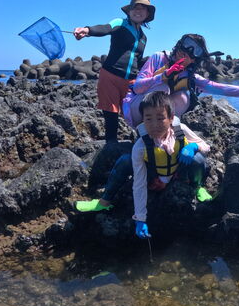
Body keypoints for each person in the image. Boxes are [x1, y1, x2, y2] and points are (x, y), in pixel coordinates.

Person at [75, 91, 212, 236]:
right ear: (142, 120)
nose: (154, 125)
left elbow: (205, 146)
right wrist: (140, 218)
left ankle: (197, 187)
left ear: (171, 118)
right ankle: (104, 202)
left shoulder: (180, 130)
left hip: (178, 174)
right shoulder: (140, 146)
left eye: (160, 118)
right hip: (154, 178)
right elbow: (139, 184)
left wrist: (193, 146)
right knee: (125, 161)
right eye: (148, 119)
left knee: (198, 159)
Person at [122, 33, 239, 129]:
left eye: (194, 51)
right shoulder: (158, 57)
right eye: (186, 45)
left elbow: (219, 88)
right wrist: (163, 75)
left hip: (159, 122)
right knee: (163, 88)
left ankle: (164, 131)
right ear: (179, 44)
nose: (187, 52)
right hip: (137, 112)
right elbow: (138, 87)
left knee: (183, 97)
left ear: (195, 60)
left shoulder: (189, 75)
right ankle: (145, 132)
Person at [73, 0, 155, 142]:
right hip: (110, 76)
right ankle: (111, 144)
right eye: (135, 8)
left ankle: (143, 143)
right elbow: (105, 28)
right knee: (111, 113)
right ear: (129, 11)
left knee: (135, 112)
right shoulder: (120, 23)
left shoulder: (143, 38)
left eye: (142, 9)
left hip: (130, 81)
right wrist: (87, 30)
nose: (138, 11)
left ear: (147, 14)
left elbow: (137, 60)